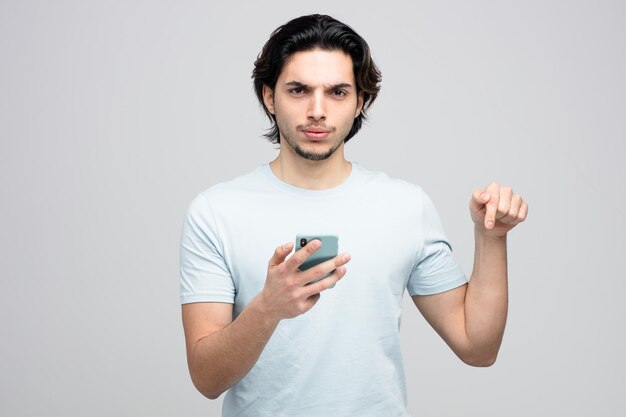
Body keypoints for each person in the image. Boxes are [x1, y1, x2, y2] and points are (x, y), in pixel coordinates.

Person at [179, 14, 528, 417]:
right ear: (269, 97)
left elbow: (478, 347)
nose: (317, 110)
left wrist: (492, 238)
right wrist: (269, 306)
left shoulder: (405, 206)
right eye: (298, 90)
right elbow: (206, 379)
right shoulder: (216, 211)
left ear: (360, 101)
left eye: (338, 92)